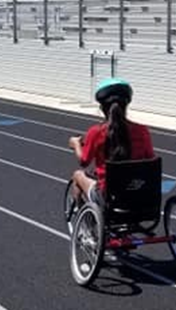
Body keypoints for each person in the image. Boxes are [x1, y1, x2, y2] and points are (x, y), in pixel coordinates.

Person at [66, 77, 155, 222]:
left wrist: (76, 144)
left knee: (78, 175)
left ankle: (86, 224)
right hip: (139, 196)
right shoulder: (142, 131)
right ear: (126, 105)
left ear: (102, 108)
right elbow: (150, 160)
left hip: (108, 197)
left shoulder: (96, 132)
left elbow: (84, 161)